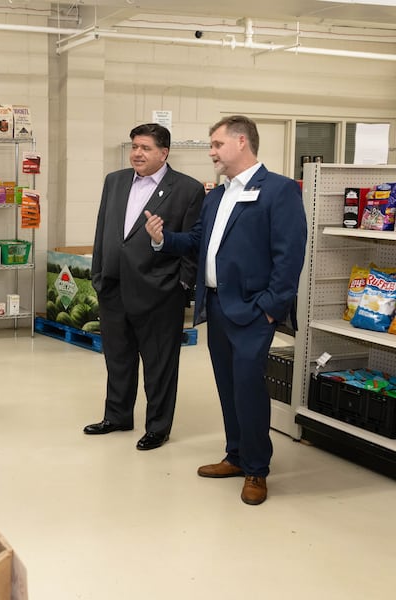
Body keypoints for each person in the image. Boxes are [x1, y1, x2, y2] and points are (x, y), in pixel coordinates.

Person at [144, 115, 307, 505]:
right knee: (228, 387)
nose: (212, 152)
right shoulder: (217, 195)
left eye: (217, 144)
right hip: (217, 306)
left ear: (241, 142)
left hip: (253, 310)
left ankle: (256, 469)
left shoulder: (279, 191)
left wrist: (270, 308)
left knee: (249, 389)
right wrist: (163, 238)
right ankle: (235, 455)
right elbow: (199, 241)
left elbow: (289, 258)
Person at [84, 123, 205, 451]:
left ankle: (158, 427)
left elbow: (194, 245)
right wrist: (98, 273)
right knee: (118, 358)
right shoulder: (115, 181)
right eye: (134, 146)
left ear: (163, 153)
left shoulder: (187, 189)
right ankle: (118, 415)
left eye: (145, 148)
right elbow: (102, 229)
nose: (137, 153)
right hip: (113, 287)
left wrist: (181, 284)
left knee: (159, 364)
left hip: (159, 291)